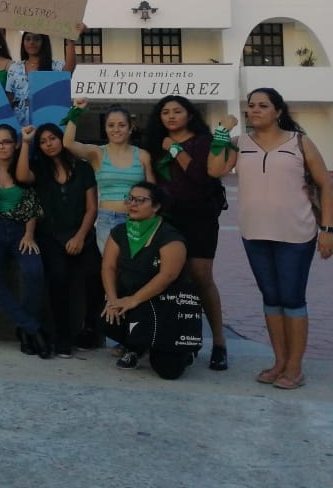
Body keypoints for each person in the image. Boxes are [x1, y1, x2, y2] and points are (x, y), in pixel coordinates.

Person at [210, 88, 332, 390]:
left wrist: (328, 230)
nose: (254, 110)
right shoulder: (240, 143)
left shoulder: (299, 142)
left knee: (292, 299)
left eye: (263, 106)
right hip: (254, 233)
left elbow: (325, 184)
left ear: (278, 111)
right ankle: (279, 362)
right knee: (271, 298)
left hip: (296, 234)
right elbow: (215, 169)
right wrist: (222, 133)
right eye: (251, 105)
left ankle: (295, 368)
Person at [146, 94, 229, 371]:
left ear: (190, 115)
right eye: (165, 112)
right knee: (172, 278)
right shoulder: (155, 144)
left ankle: (219, 343)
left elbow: (200, 176)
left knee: (202, 278)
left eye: (177, 111)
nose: (170, 116)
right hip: (167, 219)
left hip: (200, 218)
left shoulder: (203, 142)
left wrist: (174, 149)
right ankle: (179, 338)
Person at [16, 123, 100, 356]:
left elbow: (92, 208)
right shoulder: (40, 169)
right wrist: (26, 142)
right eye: (43, 141)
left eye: (52, 138)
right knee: (58, 277)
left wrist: (80, 237)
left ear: (61, 139)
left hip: (82, 233)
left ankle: (90, 327)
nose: (49, 144)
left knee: (95, 274)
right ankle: (62, 337)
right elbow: (21, 176)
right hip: (51, 236)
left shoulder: (82, 168)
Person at [101, 182, 197, 378]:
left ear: (156, 206)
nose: (132, 204)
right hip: (131, 300)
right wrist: (112, 299)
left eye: (140, 200)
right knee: (107, 317)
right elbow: (108, 267)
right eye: (130, 198)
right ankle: (134, 347)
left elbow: (168, 276)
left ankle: (180, 351)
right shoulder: (119, 232)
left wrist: (133, 300)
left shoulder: (170, 237)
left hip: (164, 305)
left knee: (169, 371)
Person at [0, 124, 50, 358]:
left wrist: (29, 234)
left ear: (15, 144)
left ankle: (25, 331)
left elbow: (33, 204)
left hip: (21, 230)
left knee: (34, 271)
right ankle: (31, 327)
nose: (1, 146)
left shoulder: (24, 168)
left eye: (6, 141)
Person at [61, 100, 152, 258]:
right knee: (111, 266)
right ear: (105, 128)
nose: (116, 129)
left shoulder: (143, 155)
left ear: (130, 128)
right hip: (108, 219)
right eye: (111, 125)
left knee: (135, 267)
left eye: (121, 125)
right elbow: (68, 143)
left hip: (138, 220)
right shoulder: (98, 153)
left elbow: (152, 191)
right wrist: (76, 110)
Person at [5, 27, 82, 127]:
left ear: (44, 43)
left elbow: (69, 70)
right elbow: (9, 97)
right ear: (23, 43)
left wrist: (70, 41)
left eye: (36, 39)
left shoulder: (54, 66)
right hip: (19, 121)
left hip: (46, 118)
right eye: (28, 39)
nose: (31, 42)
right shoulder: (14, 67)